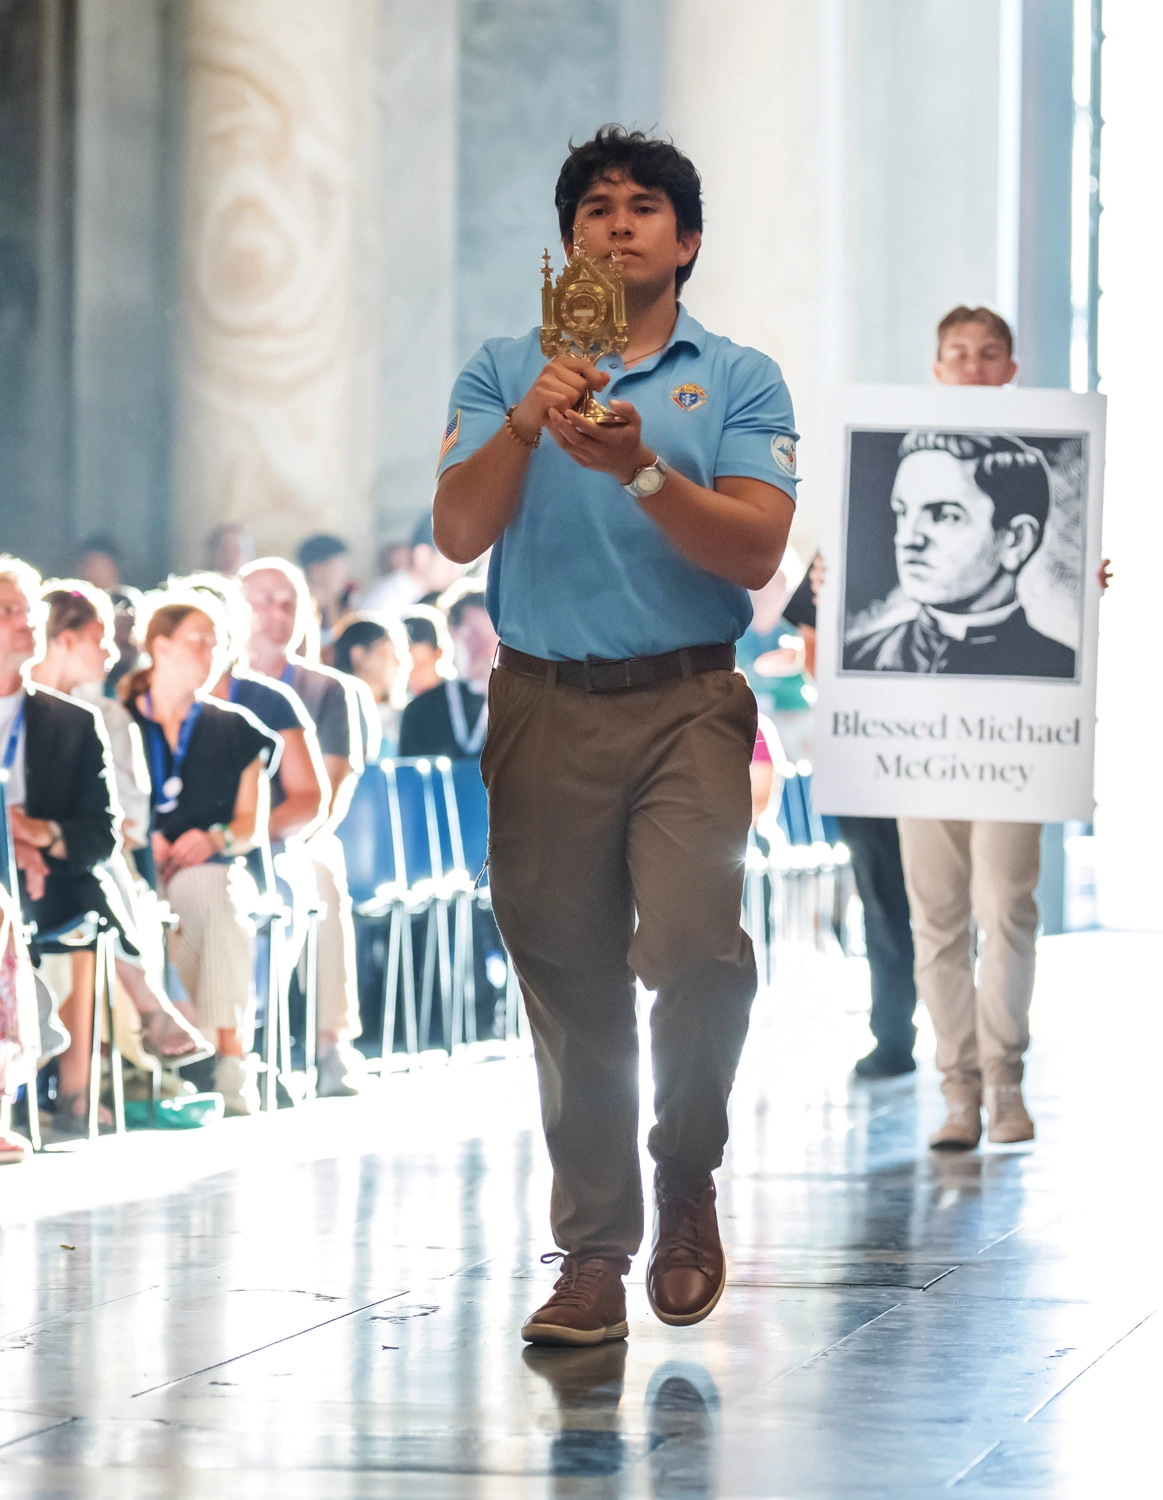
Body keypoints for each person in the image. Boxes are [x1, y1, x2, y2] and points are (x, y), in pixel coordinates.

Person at [433, 126, 798, 1345]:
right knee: (567, 977)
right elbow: (456, 531)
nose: (619, 221)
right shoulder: (499, 370)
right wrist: (528, 423)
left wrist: (643, 472)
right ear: (568, 241)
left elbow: (752, 551)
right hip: (542, 702)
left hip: (688, 698)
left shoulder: (738, 377)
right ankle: (592, 1251)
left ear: (684, 241)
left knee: (694, 946)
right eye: (595, 207)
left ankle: (684, 1170)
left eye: (645, 206)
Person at [895, 306, 1106, 1148]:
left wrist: (1088, 583)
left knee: (1003, 901)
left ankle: (1004, 1078)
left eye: (988, 354)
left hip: (1015, 727)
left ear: (1009, 368)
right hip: (910, 731)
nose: (972, 366)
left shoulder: (1050, 458)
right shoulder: (893, 443)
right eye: (956, 354)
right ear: (936, 367)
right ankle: (956, 1087)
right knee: (935, 913)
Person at [33, 583, 209, 1065]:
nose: (114, 651)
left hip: (87, 854)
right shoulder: (18, 714)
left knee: (99, 863)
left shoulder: (104, 717)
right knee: (95, 870)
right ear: (63, 638)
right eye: (99, 637)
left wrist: (49, 835)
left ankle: (82, 1082)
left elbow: (125, 821)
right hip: (43, 861)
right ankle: (149, 1010)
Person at [123, 596, 279, 1115]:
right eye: (198, 639)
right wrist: (145, 836)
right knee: (138, 904)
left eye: (218, 642)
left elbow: (250, 826)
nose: (211, 651)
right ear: (159, 646)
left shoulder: (235, 728)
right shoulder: (115, 717)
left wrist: (212, 839)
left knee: (214, 893)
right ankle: (174, 1053)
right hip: (132, 864)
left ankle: (230, 1060)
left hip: (207, 867)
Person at [239, 559, 373, 1095]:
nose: (277, 614)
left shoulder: (328, 690)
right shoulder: (219, 683)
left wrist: (264, 835)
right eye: (263, 601)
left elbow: (332, 794)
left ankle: (331, 1040)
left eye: (288, 602)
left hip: (298, 833)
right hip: (229, 835)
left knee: (323, 872)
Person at [0, 558, 124, 1134]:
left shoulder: (72, 722)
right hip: (17, 881)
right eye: (7, 612)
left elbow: (101, 835)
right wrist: (9, 845)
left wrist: (38, 838)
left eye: (27, 610)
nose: (26, 623)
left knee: (68, 900)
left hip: (51, 886)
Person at [843, 427, 1075, 678]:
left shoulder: (1062, 670)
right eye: (902, 512)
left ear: (1016, 540)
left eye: (945, 516)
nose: (907, 538)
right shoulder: (859, 659)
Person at [398, 587, 496, 761]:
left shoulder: (518, 706)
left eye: (490, 636)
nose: (483, 648)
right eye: (471, 635)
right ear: (452, 635)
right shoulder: (420, 711)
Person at [332, 614, 411, 758]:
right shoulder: (335, 714)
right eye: (388, 652)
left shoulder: (405, 716)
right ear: (358, 655)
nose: (399, 662)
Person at [296, 534, 355, 656]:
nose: (345, 575)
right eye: (340, 568)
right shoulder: (298, 608)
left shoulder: (341, 603)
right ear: (317, 568)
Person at [401, 607, 454, 699]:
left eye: (422, 664)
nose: (415, 675)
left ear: (439, 653)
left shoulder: (458, 698)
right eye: (408, 666)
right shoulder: (396, 705)